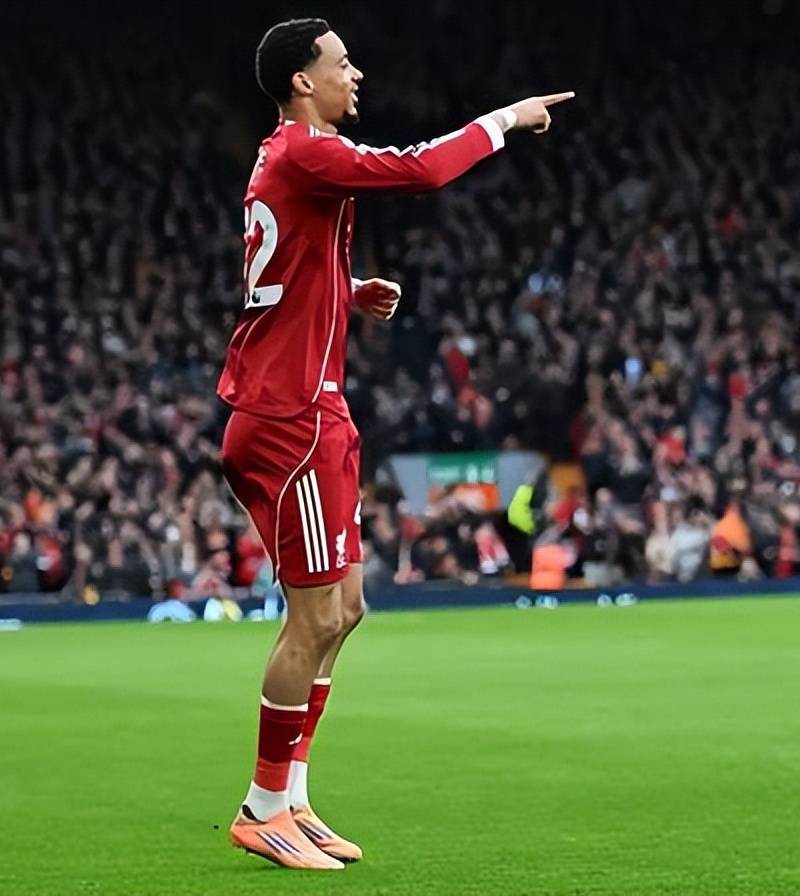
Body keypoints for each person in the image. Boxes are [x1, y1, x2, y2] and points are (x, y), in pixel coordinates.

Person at [218, 17, 573, 870]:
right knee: (311, 618)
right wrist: (507, 118)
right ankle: (261, 806)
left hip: (313, 411)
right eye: (341, 63)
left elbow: (281, 273)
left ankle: (294, 798)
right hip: (289, 418)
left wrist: (344, 290)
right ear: (303, 81)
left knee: (346, 609)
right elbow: (420, 170)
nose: (357, 74)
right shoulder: (306, 151)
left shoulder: (286, 161)